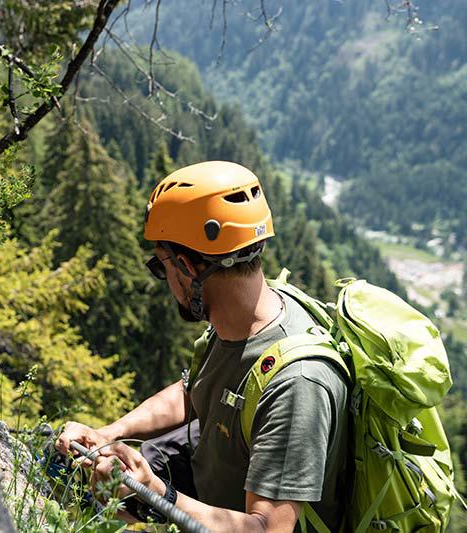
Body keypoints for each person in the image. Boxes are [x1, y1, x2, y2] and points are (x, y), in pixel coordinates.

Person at [56, 161, 349, 532]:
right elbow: (192, 390)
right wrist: (109, 434)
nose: (164, 279)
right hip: (210, 496)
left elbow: (269, 529)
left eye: (161, 265)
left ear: (188, 266)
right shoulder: (239, 315)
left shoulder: (297, 383)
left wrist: (158, 492)